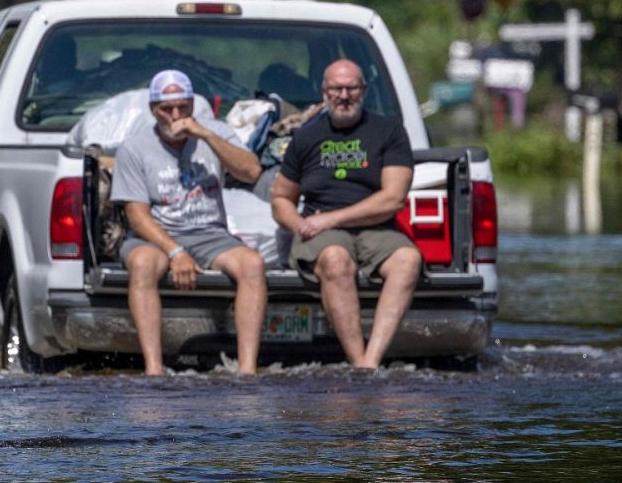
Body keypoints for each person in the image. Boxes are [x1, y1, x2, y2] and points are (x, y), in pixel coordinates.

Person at [111, 69, 267, 376]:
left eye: (183, 108)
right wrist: (174, 251)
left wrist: (207, 135)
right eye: (167, 109)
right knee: (143, 263)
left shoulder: (214, 132)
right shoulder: (135, 147)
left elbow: (251, 171)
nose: (176, 116)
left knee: (252, 265)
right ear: (153, 110)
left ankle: (247, 369)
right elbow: (137, 216)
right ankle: (153, 368)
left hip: (210, 232)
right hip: (157, 234)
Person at [270, 59, 422, 369]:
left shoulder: (388, 131)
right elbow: (281, 199)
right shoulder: (305, 136)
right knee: (336, 258)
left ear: (363, 90)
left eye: (351, 88)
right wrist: (301, 225)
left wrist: (332, 218)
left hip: (376, 228)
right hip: (321, 235)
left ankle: (371, 360)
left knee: (409, 259)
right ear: (324, 93)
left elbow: (392, 199)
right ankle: (359, 363)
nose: (344, 95)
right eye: (336, 88)